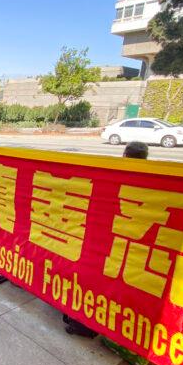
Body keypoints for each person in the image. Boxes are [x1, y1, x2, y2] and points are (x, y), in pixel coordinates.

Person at [63, 142, 150, 338]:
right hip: (130, 245)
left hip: (105, 240)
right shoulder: (151, 177)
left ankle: (82, 325)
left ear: (125, 155)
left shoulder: (116, 173)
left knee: (92, 281)